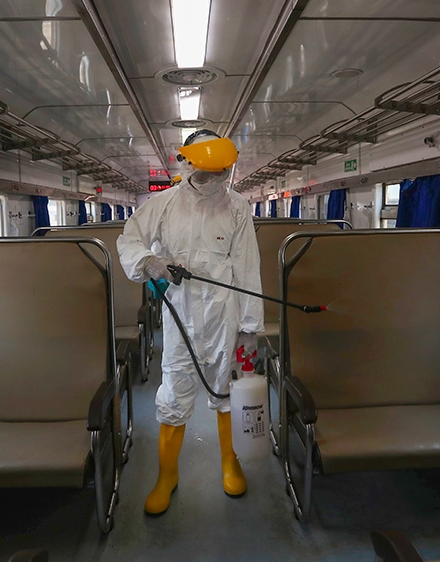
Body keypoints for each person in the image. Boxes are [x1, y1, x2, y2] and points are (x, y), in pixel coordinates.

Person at [118, 129, 264, 516]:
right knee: (174, 392)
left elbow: (248, 268)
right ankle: (167, 475)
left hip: (224, 313)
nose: (212, 180)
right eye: (204, 171)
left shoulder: (237, 207)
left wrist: (250, 327)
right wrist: (149, 261)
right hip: (179, 312)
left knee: (225, 392)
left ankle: (229, 463)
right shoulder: (162, 204)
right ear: (185, 163)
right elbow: (128, 240)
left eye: (219, 173)